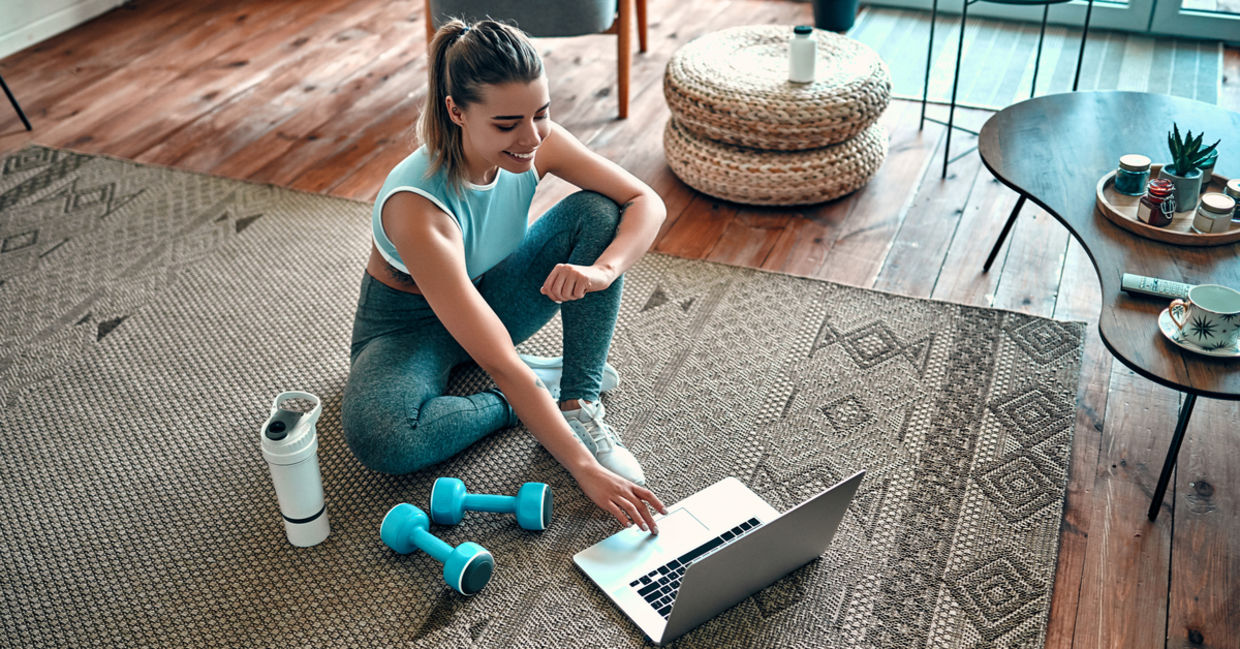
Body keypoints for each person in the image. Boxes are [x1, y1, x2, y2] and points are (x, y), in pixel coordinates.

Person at [341, 19, 668, 533]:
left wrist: (604, 271)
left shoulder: (536, 143)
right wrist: (583, 470)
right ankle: (528, 397)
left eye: (541, 114)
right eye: (507, 124)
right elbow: (498, 360)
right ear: (456, 111)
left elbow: (644, 200)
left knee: (599, 214)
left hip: (489, 293)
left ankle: (577, 397)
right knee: (386, 436)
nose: (531, 137)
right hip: (405, 327)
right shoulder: (417, 208)